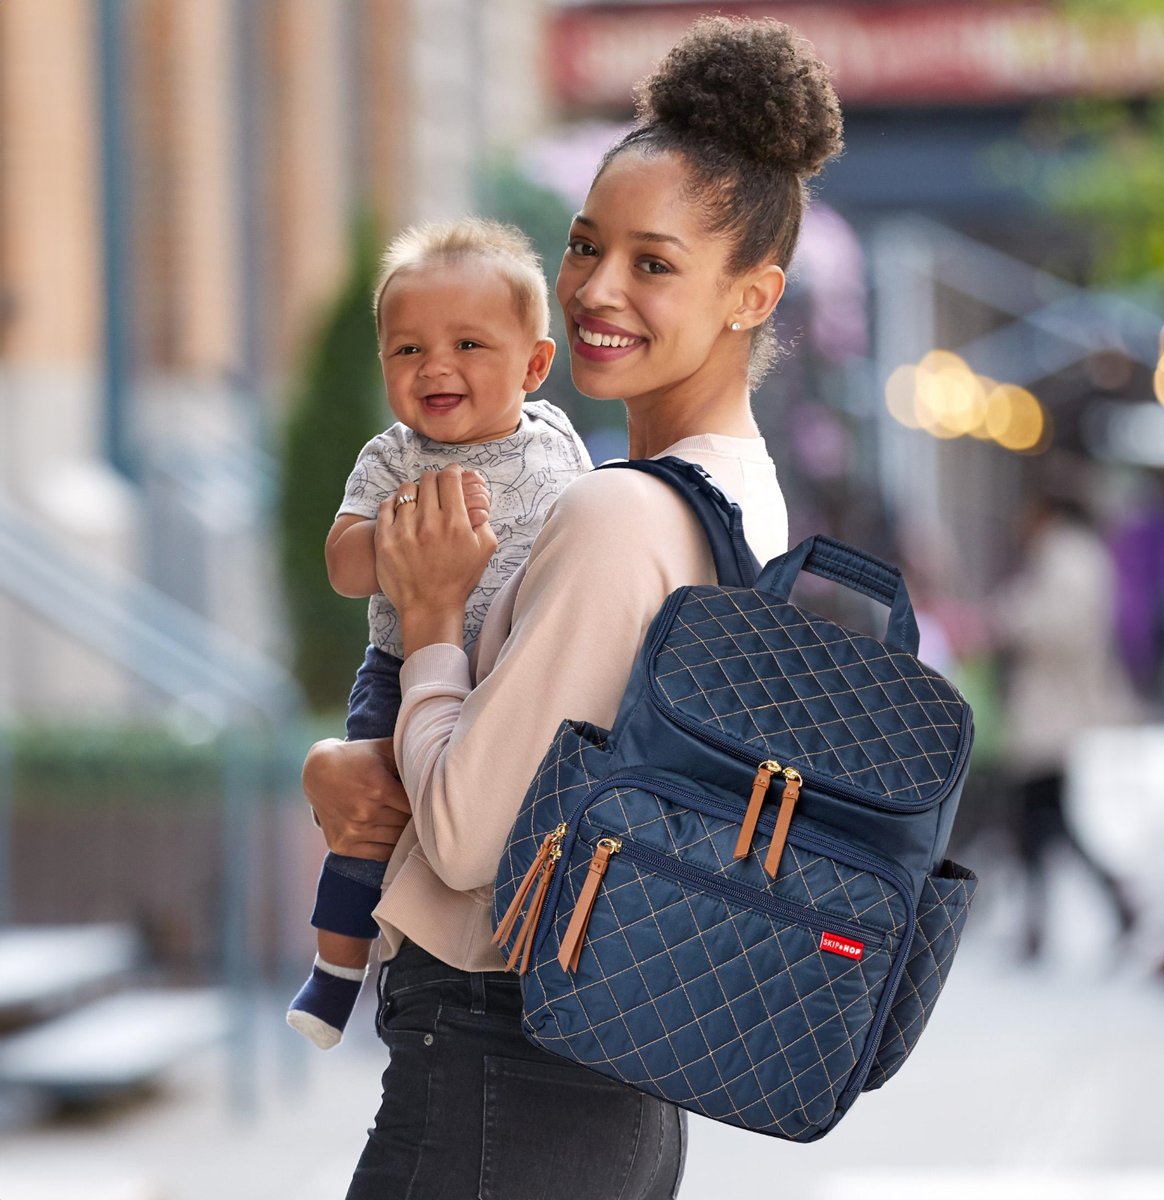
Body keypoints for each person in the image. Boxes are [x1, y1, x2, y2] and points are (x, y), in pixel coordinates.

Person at [302, 16, 844, 1197]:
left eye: (654, 264)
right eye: (586, 245)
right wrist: (345, 762)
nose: (597, 289)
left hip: (502, 1079)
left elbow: (464, 836)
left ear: (755, 295)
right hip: (597, 1084)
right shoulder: (739, 493)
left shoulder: (617, 519)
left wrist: (434, 620)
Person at [287, 217, 591, 1049]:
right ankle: (337, 966)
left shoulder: (558, 442)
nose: (437, 367)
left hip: (515, 665)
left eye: (468, 344)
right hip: (400, 665)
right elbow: (343, 567)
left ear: (532, 365)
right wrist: (405, 540)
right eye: (409, 350)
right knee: (369, 811)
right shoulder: (391, 459)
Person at [991, 492, 1141, 959]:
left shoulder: (1067, 556)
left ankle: (1061, 917)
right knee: (1043, 820)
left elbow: (1063, 626)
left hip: (1053, 712)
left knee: (1042, 818)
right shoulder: (1070, 554)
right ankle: (1064, 915)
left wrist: (1012, 620)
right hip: (1051, 710)